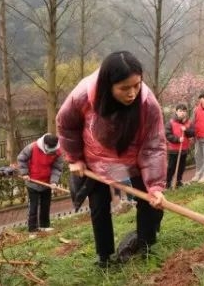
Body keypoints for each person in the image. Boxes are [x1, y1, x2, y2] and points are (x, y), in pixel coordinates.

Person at [57, 51, 167, 267]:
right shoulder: (83, 95)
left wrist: (155, 185)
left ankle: (145, 245)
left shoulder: (148, 104)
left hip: (133, 161)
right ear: (108, 85)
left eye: (136, 85)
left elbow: (154, 145)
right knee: (99, 206)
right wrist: (75, 158)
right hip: (95, 161)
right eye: (124, 88)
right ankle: (104, 256)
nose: (132, 93)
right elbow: (66, 124)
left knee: (150, 202)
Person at [17, 133, 65, 233]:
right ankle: (32, 229)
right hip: (32, 182)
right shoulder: (32, 147)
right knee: (33, 207)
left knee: (45, 205)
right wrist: (24, 173)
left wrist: (54, 182)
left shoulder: (58, 152)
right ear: (44, 143)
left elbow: (57, 168)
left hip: (47, 183)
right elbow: (21, 158)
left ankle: (44, 226)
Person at [164, 103, 194, 189]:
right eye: (180, 111)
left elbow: (192, 132)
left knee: (181, 167)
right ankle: (168, 182)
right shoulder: (170, 122)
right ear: (176, 112)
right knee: (171, 167)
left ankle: (178, 181)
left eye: (184, 111)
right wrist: (177, 139)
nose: (182, 113)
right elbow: (167, 134)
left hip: (184, 149)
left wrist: (186, 130)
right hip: (173, 150)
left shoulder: (188, 122)